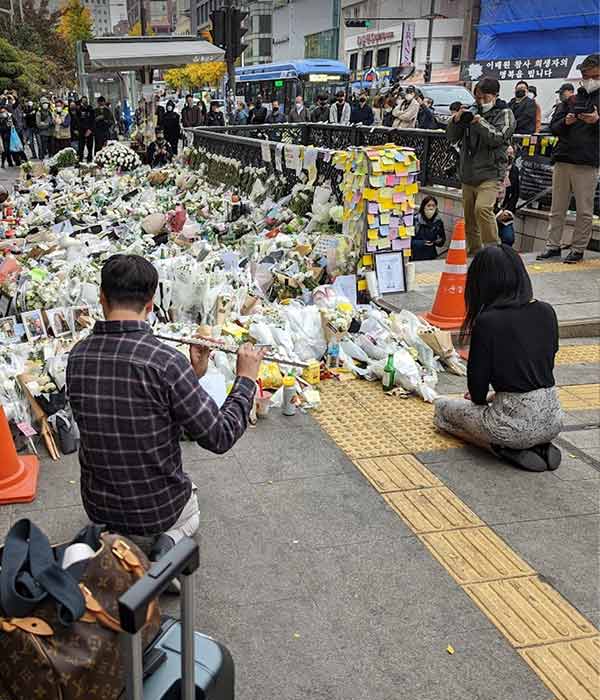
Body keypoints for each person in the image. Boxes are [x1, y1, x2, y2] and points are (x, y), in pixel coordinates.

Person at [66, 254, 265, 563]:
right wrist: (245, 380)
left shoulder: (77, 357)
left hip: (99, 506)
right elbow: (219, 437)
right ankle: (169, 544)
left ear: (102, 298)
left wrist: (192, 374)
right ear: (151, 303)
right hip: (155, 510)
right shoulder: (164, 362)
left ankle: (118, 540)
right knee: (192, 501)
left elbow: (138, 408)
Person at [434, 246, 563, 472]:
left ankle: (504, 448)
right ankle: (540, 445)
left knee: (443, 411)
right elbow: (540, 368)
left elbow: (476, 390)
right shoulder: (547, 310)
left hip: (510, 426)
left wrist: (484, 399)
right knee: (512, 419)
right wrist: (498, 395)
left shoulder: (488, 321)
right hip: (553, 417)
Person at [536, 54, 600, 264]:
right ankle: (552, 246)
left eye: (595, 76)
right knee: (557, 207)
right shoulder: (572, 99)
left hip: (587, 161)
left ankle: (578, 248)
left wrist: (597, 121)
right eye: (585, 75)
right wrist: (567, 120)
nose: (589, 80)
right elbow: (553, 127)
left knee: (583, 209)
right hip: (563, 158)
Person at [446, 77, 516, 256]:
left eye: (485, 97)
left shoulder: (505, 113)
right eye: (478, 97)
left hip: (491, 173)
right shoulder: (471, 110)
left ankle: (494, 251)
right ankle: (475, 253)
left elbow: (499, 137)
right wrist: (456, 120)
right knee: (470, 218)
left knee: (483, 209)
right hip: (468, 173)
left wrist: (479, 122)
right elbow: (452, 137)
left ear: (495, 95)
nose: (481, 101)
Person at [495, 145, 520, 247]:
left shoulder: (514, 170)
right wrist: (498, 213)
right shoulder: (492, 169)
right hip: (490, 212)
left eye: (512, 154)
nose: (510, 157)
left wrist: (508, 211)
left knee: (509, 238)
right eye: (507, 154)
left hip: (505, 212)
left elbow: (515, 194)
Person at [411, 195, 446, 260]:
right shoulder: (415, 220)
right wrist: (422, 243)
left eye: (433, 206)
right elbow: (408, 241)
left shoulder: (438, 222)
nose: (431, 208)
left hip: (431, 256)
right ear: (423, 207)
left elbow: (442, 240)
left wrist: (436, 241)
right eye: (428, 205)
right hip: (416, 256)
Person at [77, 96, 95, 163]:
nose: (85, 102)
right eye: (83, 101)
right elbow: (78, 121)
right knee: (81, 147)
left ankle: (89, 159)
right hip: (81, 131)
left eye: (86, 101)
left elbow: (93, 121)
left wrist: (90, 130)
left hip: (89, 131)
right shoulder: (79, 110)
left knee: (90, 147)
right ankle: (80, 160)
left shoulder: (91, 109)